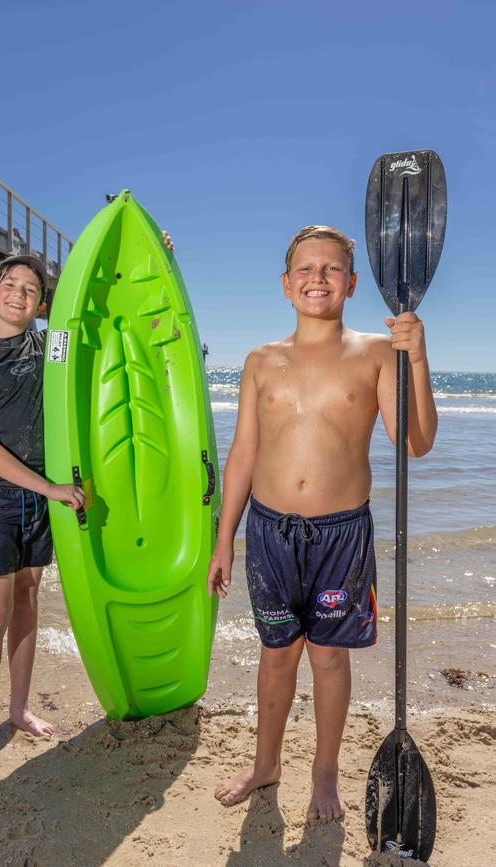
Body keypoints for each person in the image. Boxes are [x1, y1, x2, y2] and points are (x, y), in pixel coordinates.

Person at [207, 225, 437, 821]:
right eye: (306, 270)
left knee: (330, 659)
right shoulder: (261, 361)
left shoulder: (377, 353)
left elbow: (415, 442)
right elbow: (242, 456)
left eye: (331, 269)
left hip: (342, 535)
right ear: (286, 286)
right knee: (277, 652)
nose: (318, 278)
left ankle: (325, 773)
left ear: (352, 283)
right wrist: (223, 539)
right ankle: (266, 764)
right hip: (268, 532)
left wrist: (418, 355)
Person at [0, 255, 84, 743]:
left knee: (28, 597)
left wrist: (157, 255)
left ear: (41, 303)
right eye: (10, 285)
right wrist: (51, 488)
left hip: (38, 500)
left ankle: (19, 708)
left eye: (30, 290)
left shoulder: (52, 346)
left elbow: (95, 327)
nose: (19, 295)